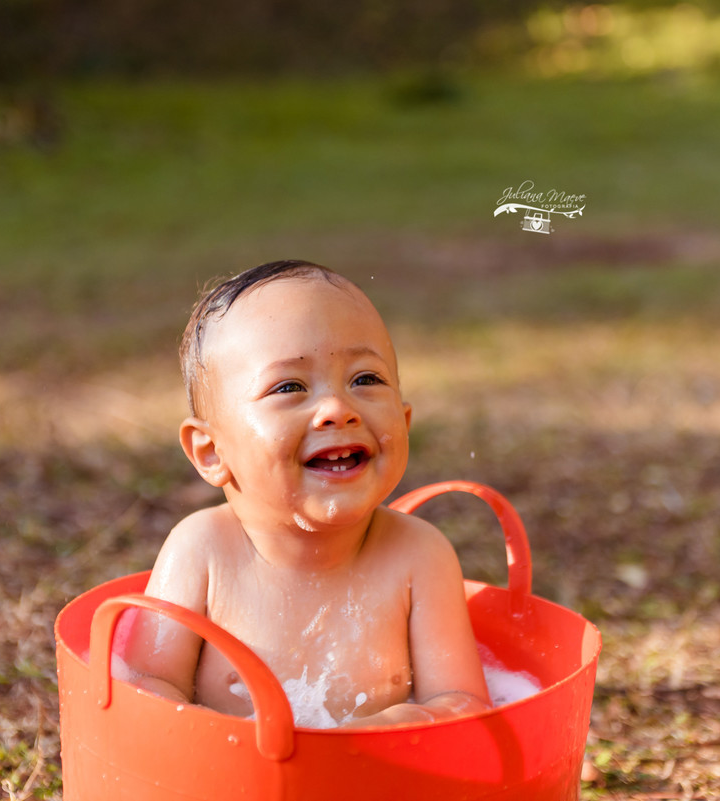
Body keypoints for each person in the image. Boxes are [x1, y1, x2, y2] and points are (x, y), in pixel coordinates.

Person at [119, 260, 491, 728]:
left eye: (365, 379)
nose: (338, 409)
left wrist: (403, 723)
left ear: (405, 420)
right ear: (212, 452)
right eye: (289, 386)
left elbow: (464, 704)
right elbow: (143, 687)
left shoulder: (420, 555)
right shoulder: (203, 550)